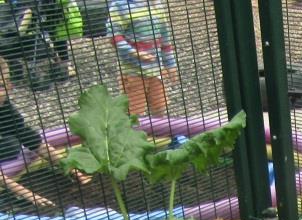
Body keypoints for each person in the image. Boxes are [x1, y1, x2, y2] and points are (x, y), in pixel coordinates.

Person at [0, 54, 88, 207]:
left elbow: (32, 139)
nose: (8, 90)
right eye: (2, 86)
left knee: (12, 144)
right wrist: (29, 195)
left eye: (8, 83)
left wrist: (72, 170)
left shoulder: (5, 106)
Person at [106, 0, 176, 117]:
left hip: (155, 70)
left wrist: (170, 65)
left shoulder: (156, 4)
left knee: (160, 107)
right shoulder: (120, 6)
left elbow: (164, 37)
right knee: (135, 112)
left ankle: (158, 134)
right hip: (132, 72)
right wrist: (135, 53)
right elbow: (114, 37)